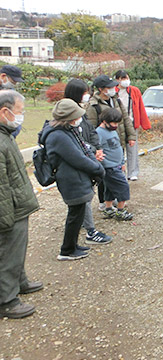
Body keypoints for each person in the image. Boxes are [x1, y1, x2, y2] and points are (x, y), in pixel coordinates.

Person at [42, 99, 105, 261]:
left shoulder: (67, 130)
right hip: (71, 181)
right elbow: (77, 158)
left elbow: (84, 150)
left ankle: (73, 245)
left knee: (77, 215)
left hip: (77, 178)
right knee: (74, 216)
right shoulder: (57, 136)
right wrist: (97, 168)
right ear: (68, 117)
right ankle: (67, 250)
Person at [0, 90, 42, 319]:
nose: (21, 116)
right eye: (19, 112)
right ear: (5, 111)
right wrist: (5, 219)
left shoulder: (6, 134)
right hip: (10, 211)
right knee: (7, 254)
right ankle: (7, 300)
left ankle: (19, 282)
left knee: (17, 251)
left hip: (17, 206)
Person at [63, 79, 112, 244]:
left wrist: (97, 148)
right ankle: (90, 231)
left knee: (85, 195)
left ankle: (83, 224)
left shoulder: (80, 110)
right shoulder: (66, 112)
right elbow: (74, 141)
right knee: (83, 196)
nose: (87, 95)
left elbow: (90, 132)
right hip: (78, 160)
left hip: (87, 154)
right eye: (85, 92)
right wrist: (91, 152)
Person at [85, 74, 136, 211]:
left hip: (116, 140)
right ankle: (104, 202)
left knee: (117, 169)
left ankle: (112, 200)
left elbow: (125, 118)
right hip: (103, 145)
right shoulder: (93, 106)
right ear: (101, 89)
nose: (113, 88)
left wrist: (131, 135)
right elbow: (91, 128)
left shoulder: (116, 100)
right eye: (110, 87)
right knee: (104, 176)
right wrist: (96, 148)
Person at [95, 108, 133, 221]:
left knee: (110, 188)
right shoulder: (99, 133)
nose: (115, 125)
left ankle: (108, 208)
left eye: (117, 123)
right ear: (104, 121)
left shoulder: (112, 130)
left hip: (117, 164)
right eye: (113, 123)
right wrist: (106, 164)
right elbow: (98, 150)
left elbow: (117, 147)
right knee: (123, 187)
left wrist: (122, 162)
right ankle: (120, 211)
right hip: (109, 167)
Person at [114, 70, 151, 181]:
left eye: (127, 78)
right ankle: (120, 172)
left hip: (132, 122)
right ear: (117, 80)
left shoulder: (134, 91)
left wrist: (144, 123)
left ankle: (133, 172)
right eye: (123, 78)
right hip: (117, 124)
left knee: (132, 148)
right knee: (118, 149)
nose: (126, 81)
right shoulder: (114, 92)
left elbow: (140, 107)